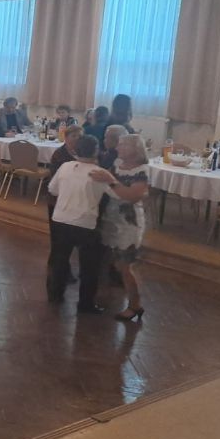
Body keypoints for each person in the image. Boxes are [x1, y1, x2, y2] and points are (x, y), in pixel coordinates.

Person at [90, 134, 150, 322]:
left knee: (125, 265)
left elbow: (132, 196)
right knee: (106, 260)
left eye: (123, 145)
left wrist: (110, 179)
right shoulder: (117, 164)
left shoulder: (142, 170)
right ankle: (101, 296)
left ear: (135, 149)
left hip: (128, 221)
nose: (118, 147)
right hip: (110, 217)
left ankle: (135, 305)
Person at [46, 135, 108, 314]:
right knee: (89, 266)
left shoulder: (65, 167)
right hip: (85, 222)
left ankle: (55, 295)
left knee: (59, 260)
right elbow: (114, 194)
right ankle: (85, 303)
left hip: (61, 218)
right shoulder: (100, 173)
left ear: (75, 150)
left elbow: (52, 189)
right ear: (96, 151)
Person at [47, 124, 85, 285]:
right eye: (73, 136)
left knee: (67, 240)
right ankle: (59, 271)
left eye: (79, 137)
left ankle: (60, 268)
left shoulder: (83, 154)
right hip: (58, 201)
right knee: (58, 239)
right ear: (66, 137)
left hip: (75, 202)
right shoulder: (59, 155)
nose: (77, 139)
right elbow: (55, 182)